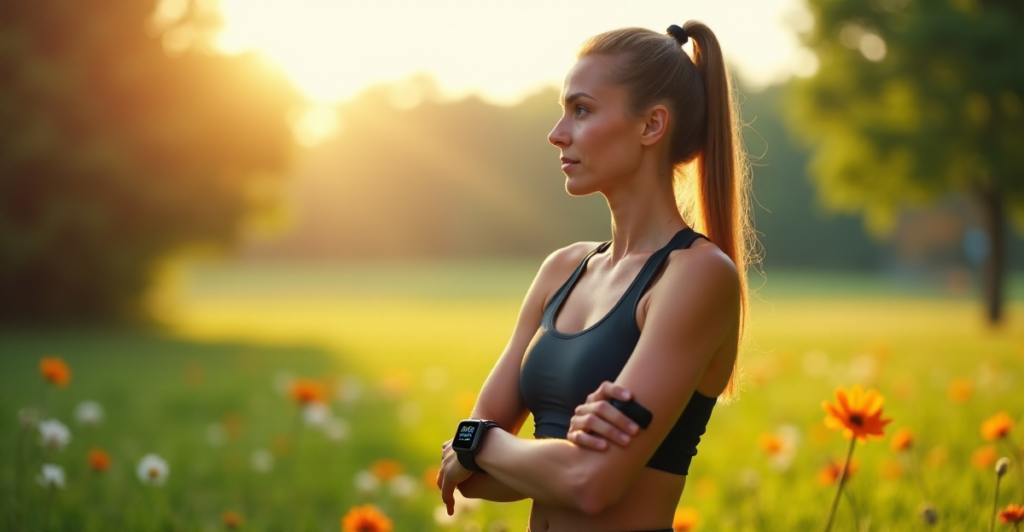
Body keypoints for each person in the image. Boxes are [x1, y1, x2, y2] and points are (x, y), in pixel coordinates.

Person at [437, 21, 753, 532]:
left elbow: (589, 484)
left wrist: (486, 444)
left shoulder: (696, 276)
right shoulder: (562, 269)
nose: (556, 133)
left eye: (581, 110)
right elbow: (469, 480)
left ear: (651, 125)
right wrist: (541, 457)